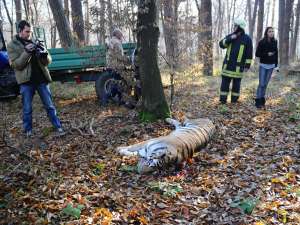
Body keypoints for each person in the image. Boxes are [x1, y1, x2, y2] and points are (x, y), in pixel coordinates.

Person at [7, 20, 64, 137]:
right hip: (26, 82)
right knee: (27, 108)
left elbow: (48, 61)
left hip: (42, 79)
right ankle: (28, 131)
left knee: (49, 106)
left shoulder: (35, 40)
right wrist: (26, 52)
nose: (29, 34)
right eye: (27, 32)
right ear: (20, 31)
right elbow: (16, 65)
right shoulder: (12, 45)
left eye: (30, 32)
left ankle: (58, 126)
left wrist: (43, 54)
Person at [219, 18, 253, 104]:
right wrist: (230, 38)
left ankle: (234, 101)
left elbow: (249, 53)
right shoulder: (231, 36)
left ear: (240, 27)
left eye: (235, 26)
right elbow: (221, 44)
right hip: (227, 66)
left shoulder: (247, 39)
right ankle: (223, 100)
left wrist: (247, 66)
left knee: (236, 85)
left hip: (238, 67)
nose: (234, 27)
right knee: (224, 84)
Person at [105, 28, 135, 108]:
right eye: (120, 34)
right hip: (116, 66)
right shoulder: (117, 43)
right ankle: (121, 101)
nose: (122, 35)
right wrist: (130, 59)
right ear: (117, 34)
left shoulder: (111, 41)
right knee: (126, 82)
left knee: (117, 83)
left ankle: (113, 100)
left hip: (111, 66)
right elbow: (120, 56)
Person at [255, 27, 278, 109]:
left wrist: (276, 65)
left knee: (265, 84)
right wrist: (266, 54)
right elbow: (257, 54)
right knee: (261, 84)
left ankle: (262, 100)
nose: (271, 33)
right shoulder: (261, 42)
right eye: (270, 31)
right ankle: (257, 100)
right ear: (266, 32)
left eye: (272, 31)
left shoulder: (275, 41)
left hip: (271, 66)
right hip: (263, 65)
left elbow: (276, 53)